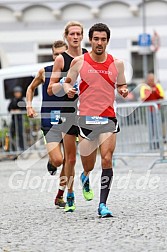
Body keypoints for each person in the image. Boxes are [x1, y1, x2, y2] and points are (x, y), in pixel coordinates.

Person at [64, 23, 128, 217]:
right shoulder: (79, 62)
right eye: (96, 39)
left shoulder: (117, 63)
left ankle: (102, 204)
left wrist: (123, 90)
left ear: (107, 41)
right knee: (89, 164)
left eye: (103, 39)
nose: (99, 43)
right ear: (90, 40)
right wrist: (68, 90)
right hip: (86, 119)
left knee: (107, 159)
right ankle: (85, 175)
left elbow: (122, 84)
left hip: (108, 117)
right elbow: (67, 82)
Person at [47, 21, 87, 212]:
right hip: (67, 111)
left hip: (87, 109)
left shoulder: (88, 56)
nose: (75, 37)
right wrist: (64, 86)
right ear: (66, 36)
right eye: (72, 34)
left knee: (89, 154)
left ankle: (85, 177)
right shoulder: (61, 59)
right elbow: (51, 88)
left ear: (82, 35)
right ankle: (69, 194)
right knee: (70, 159)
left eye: (78, 33)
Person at [26, 40, 67, 208]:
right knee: (58, 160)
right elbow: (30, 88)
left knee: (69, 160)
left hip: (69, 119)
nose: (58, 57)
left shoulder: (74, 71)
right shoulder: (45, 72)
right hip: (49, 121)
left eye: (61, 54)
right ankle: (51, 162)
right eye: (55, 54)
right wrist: (29, 105)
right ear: (52, 55)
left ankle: (60, 195)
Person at [140, 72, 165, 149]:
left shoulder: (158, 86)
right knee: (151, 128)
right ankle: (152, 144)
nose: (151, 81)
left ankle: (157, 144)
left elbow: (162, 96)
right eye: (150, 79)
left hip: (157, 110)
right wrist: (150, 92)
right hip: (149, 110)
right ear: (147, 80)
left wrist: (155, 92)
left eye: (152, 79)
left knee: (158, 127)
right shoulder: (144, 87)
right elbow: (143, 98)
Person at [8, 86, 26, 152]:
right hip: (13, 120)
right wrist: (13, 111)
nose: (17, 94)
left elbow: (24, 109)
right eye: (16, 92)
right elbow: (9, 108)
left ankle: (22, 148)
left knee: (20, 134)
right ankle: (13, 149)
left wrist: (19, 111)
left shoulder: (22, 100)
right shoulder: (13, 100)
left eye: (18, 92)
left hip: (19, 120)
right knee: (12, 134)